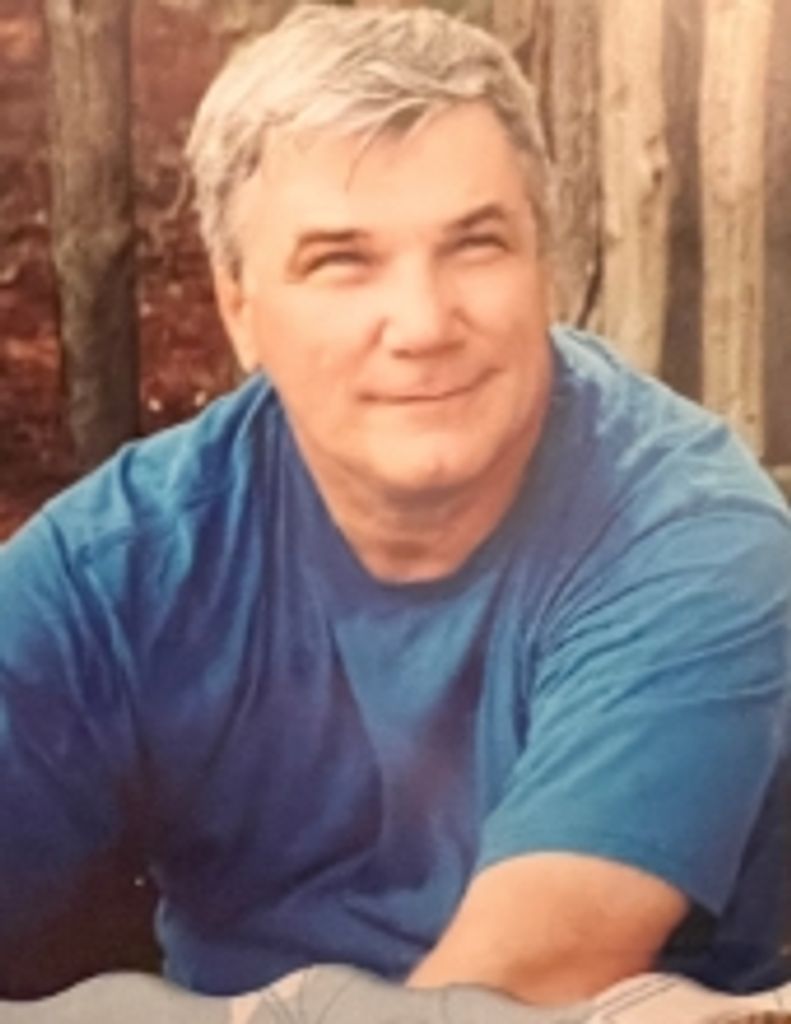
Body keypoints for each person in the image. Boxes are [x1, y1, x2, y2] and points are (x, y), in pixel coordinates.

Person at [1, 1, 790, 1009]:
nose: (420, 323)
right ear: (239, 306)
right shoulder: (122, 565)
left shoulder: (690, 539)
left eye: (475, 245)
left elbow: (528, 977)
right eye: (342, 261)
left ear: (546, 269)